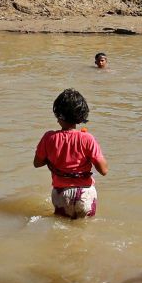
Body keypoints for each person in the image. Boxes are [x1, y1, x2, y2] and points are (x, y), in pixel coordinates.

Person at [34, 89, 109, 219]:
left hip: (61, 195)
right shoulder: (87, 138)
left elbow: (37, 163)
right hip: (85, 194)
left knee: (62, 230)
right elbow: (104, 170)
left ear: (58, 115)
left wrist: (52, 157)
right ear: (81, 117)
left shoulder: (49, 138)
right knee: (84, 231)